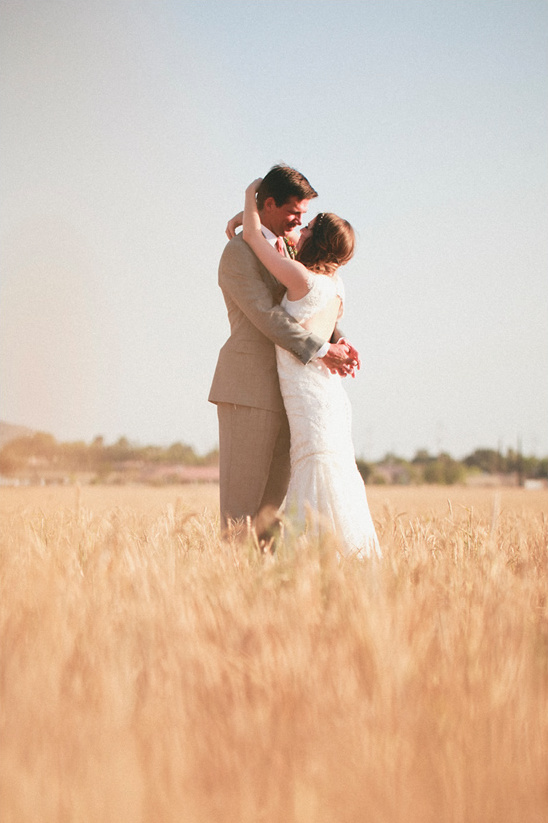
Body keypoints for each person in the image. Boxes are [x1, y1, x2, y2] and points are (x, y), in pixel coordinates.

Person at [208, 165, 359, 540]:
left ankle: (266, 591)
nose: (299, 221)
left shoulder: (290, 246)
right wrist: (322, 349)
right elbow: (267, 315)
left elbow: (307, 301)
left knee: (274, 515)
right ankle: (228, 587)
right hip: (249, 391)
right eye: (294, 212)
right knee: (241, 512)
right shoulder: (238, 252)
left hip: (294, 395)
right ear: (270, 205)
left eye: (304, 216)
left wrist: (336, 338)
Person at [240, 178, 380, 558]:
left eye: (307, 226)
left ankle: (309, 563)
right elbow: (323, 328)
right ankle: (338, 561)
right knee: (326, 473)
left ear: (315, 239)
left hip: (309, 395)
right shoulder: (336, 286)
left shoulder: (300, 279)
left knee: (315, 471)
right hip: (325, 395)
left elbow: (253, 237)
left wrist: (251, 191)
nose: (299, 229)